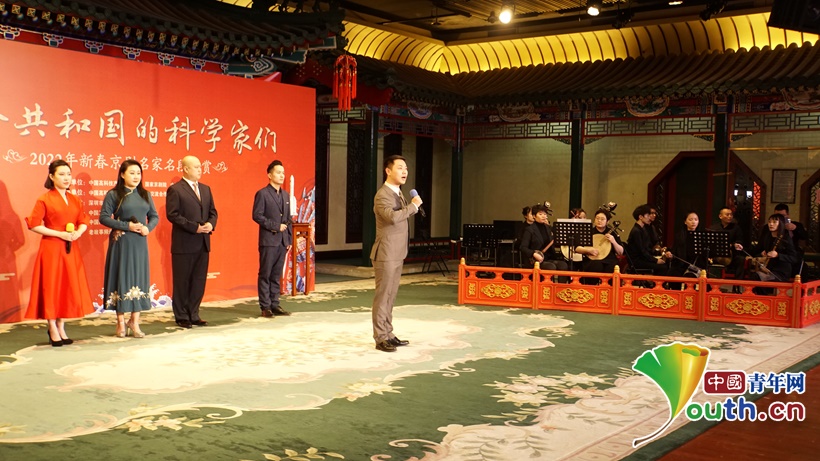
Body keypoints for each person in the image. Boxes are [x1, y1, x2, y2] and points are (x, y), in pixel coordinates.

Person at [25, 160, 94, 346]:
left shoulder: (75, 199)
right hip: (51, 248)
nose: (66, 178)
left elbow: (83, 220)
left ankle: (61, 326)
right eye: (62, 174)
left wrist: (78, 233)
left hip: (70, 248)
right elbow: (34, 224)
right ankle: (52, 326)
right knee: (51, 286)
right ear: (52, 176)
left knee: (66, 286)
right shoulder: (44, 199)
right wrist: (59, 234)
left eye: (68, 174)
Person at [100, 160, 159, 338]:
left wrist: (148, 228)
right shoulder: (114, 194)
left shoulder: (145, 194)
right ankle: (120, 322)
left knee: (138, 278)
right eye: (132, 173)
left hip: (140, 242)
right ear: (122, 174)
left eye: (138, 173)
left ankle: (135, 321)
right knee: (122, 277)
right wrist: (127, 226)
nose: (136, 176)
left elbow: (154, 216)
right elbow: (104, 217)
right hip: (122, 242)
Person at [370, 155, 422, 353]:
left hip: (397, 251)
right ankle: (380, 337)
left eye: (406, 168)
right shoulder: (382, 195)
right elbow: (392, 218)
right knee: (383, 296)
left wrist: (411, 206)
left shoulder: (398, 193)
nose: (404, 171)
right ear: (388, 170)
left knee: (391, 296)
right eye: (400, 168)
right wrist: (413, 206)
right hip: (386, 252)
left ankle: (388, 333)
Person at [166, 156, 218, 329]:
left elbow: (213, 212)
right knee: (182, 281)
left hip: (203, 242)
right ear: (186, 169)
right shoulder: (176, 189)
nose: (200, 169)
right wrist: (194, 227)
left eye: (200, 166)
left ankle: (194, 314)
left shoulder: (206, 189)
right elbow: (173, 215)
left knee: (198, 280)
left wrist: (211, 224)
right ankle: (181, 316)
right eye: (196, 167)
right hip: (184, 243)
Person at [252, 160, 293, 318]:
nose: (282, 175)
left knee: (276, 274)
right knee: (266, 273)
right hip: (268, 240)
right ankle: (265, 306)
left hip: (282, 241)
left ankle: (275, 304)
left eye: (283, 173)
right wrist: (275, 226)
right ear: (269, 175)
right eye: (278, 172)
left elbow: (288, 219)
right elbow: (257, 215)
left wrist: (288, 239)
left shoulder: (286, 195)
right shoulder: (262, 194)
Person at [749, 214, 797, 293]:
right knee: (754, 277)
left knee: (759, 279)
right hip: (768, 269)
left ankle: (764, 298)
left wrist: (778, 255)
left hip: (780, 272)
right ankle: (758, 298)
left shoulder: (785, 238)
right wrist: (761, 254)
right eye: (769, 222)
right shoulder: (767, 237)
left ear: (780, 224)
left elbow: (794, 258)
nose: (771, 224)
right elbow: (756, 250)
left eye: (774, 222)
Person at [519, 204, 569, 272]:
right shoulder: (529, 229)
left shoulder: (548, 228)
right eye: (540, 214)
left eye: (545, 214)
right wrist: (533, 253)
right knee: (551, 267)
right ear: (534, 216)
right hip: (535, 260)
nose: (543, 216)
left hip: (548, 258)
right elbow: (523, 247)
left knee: (563, 265)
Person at [575, 209, 624, 274]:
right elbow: (577, 248)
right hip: (592, 260)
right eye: (597, 218)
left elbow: (620, 252)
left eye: (602, 219)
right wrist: (588, 250)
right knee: (597, 265)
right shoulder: (588, 232)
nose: (599, 221)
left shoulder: (613, 233)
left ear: (607, 221)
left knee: (612, 267)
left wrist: (613, 241)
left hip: (609, 260)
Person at [625, 204, 668, 276]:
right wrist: (655, 260)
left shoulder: (642, 229)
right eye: (648, 215)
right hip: (637, 261)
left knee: (664, 264)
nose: (649, 217)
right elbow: (642, 251)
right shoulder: (636, 231)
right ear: (640, 217)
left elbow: (646, 248)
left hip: (642, 258)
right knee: (663, 267)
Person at [708, 207, 746, 281]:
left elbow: (739, 241)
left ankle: (737, 284)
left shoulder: (736, 228)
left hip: (731, 255)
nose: (730, 216)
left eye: (731, 215)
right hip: (716, 256)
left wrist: (736, 245)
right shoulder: (714, 228)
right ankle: (707, 284)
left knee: (741, 260)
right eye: (727, 214)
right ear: (720, 216)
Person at [774, 203, 808, 276]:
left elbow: (804, 236)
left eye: (782, 216)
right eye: (777, 216)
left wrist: (795, 228)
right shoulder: (770, 226)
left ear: (787, 215)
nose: (780, 218)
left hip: (792, 254)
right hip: (776, 254)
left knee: (802, 267)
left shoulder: (796, 225)